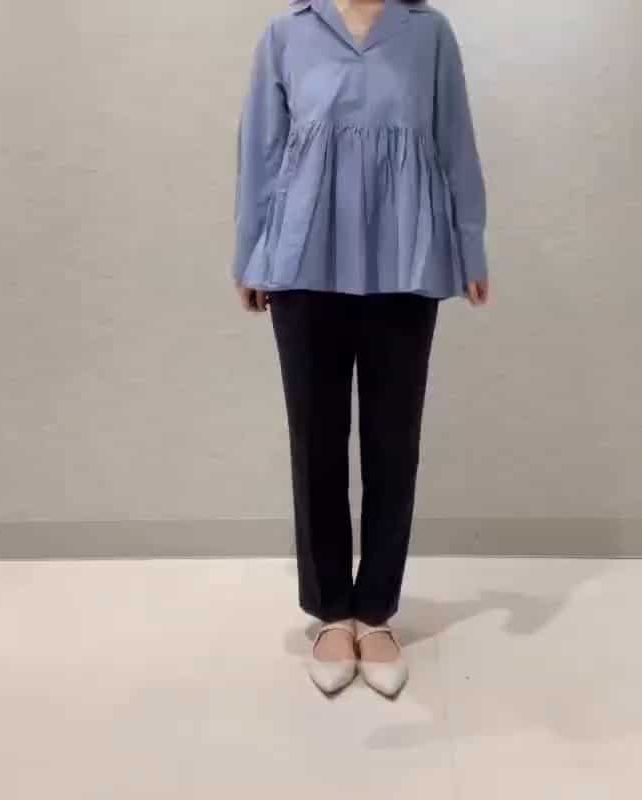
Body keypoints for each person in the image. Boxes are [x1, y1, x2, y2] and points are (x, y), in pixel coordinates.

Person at [232, 0, 489, 697]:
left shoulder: (428, 32)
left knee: (392, 442)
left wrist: (470, 244)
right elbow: (260, 150)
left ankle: (375, 611)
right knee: (315, 440)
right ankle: (330, 613)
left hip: (405, 258)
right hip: (302, 260)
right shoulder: (288, 33)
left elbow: (455, 141)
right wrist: (251, 254)